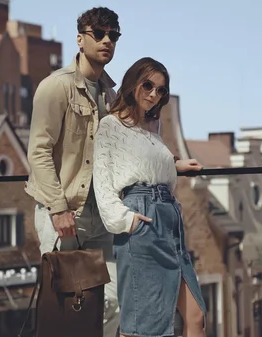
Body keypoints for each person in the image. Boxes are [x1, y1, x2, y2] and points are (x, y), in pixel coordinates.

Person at [25, 7, 122, 337]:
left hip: (102, 217)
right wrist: (58, 208)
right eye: (99, 34)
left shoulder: (111, 95)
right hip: (66, 214)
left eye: (113, 35)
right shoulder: (56, 86)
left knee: (114, 300)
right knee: (64, 304)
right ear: (80, 39)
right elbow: (38, 151)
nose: (107, 40)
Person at [93, 57, 207, 337]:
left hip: (169, 221)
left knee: (195, 315)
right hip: (141, 218)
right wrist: (127, 221)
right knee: (145, 326)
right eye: (148, 86)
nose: (154, 95)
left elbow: (150, 165)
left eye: (161, 90)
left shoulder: (155, 129)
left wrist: (175, 165)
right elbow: (103, 183)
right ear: (133, 84)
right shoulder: (111, 126)